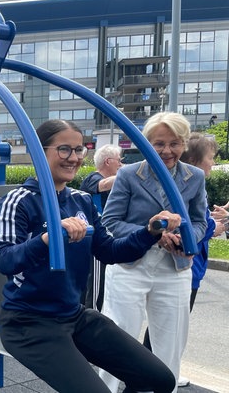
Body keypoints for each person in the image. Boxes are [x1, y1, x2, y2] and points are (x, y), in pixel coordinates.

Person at [0, 119, 176, 393]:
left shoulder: (81, 201)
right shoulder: (19, 201)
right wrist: (48, 238)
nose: (74, 158)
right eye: (64, 149)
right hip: (28, 322)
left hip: (74, 315)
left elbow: (110, 251)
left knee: (160, 379)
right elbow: (4, 260)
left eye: (80, 150)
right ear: (37, 152)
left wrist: (149, 232)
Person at [99, 112, 207, 392]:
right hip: (131, 266)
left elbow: (199, 221)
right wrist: (152, 235)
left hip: (174, 269)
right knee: (118, 335)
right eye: (159, 143)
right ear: (146, 143)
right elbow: (110, 222)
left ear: (184, 144)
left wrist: (185, 239)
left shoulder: (194, 176)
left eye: (175, 143)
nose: (167, 151)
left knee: (170, 341)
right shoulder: (128, 174)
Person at [142, 132, 219, 387]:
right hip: (185, 267)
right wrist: (211, 227)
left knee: (167, 326)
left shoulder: (194, 187)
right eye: (211, 158)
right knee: (168, 326)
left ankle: (154, 371)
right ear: (195, 162)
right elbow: (193, 226)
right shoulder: (185, 186)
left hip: (189, 267)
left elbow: (198, 221)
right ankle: (153, 372)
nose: (213, 163)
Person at [78, 143, 123, 311]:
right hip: (95, 241)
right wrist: (129, 173)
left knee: (103, 284)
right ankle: (93, 318)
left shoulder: (115, 184)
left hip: (107, 239)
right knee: (96, 286)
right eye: (119, 160)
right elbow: (103, 185)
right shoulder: (93, 178)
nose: (120, 164)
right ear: (108, 161)